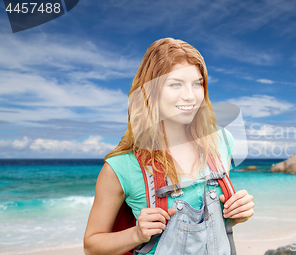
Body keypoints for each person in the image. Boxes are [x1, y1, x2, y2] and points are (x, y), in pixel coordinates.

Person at [84, 38, 254, 255]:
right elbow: (91, 246)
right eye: (176, 84)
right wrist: (136, 234)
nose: (190, 96)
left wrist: (239, 213)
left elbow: (213, 227)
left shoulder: (222, 140)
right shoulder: (121, 166)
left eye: (197, 83)